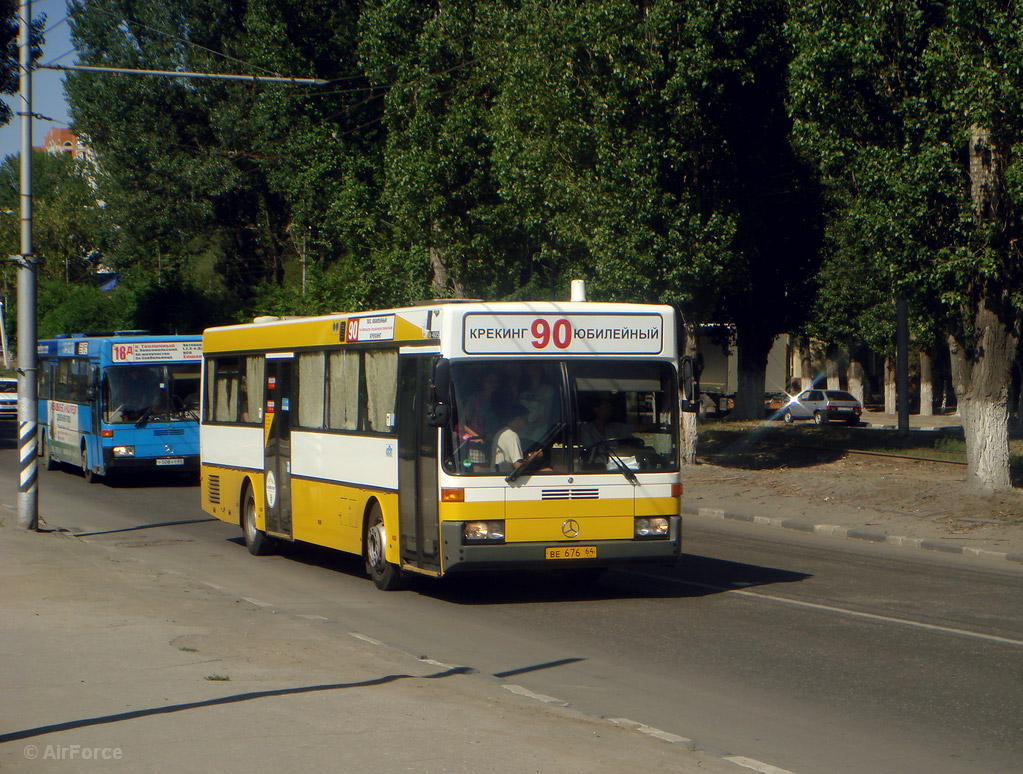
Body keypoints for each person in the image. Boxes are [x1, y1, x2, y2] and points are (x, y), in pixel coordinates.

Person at [491, 403, 531, 474]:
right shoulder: (512, 436)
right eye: (526, 421)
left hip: (497, 475)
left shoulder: (500, 433)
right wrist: (532, 457)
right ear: (518, 420)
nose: (526, 424)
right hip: (506, 477)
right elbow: (518, 466)